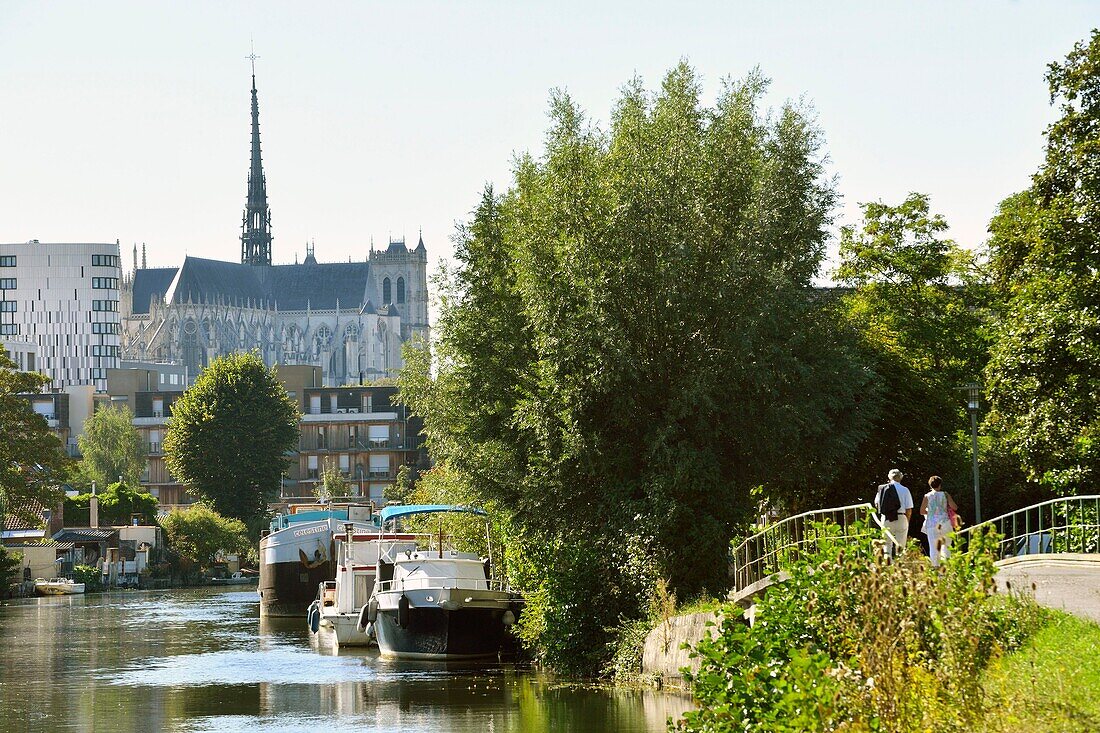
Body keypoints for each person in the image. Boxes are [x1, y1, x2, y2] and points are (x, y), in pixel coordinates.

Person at [875, 468, 914, 557]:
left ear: (889, 477)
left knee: (886, 544)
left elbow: (877, 504)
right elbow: (909, 509)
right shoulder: (905, 490)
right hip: (901, 517)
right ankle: (900, 566)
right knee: (900, 545)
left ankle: (887, 564)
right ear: (900, 478)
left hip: (886, 518)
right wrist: (907, 521)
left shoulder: (882, 489)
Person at [920, 475, 958, 567]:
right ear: (940, 485)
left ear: (930, 485)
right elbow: (954, 507)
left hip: (932, 524)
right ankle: (947, 566)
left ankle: (935, 567)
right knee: (947, 545)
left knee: (933, 547)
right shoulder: (945, 494)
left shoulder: (927, 496)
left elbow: (922, 511)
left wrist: (930, 512)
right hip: (945, 522)